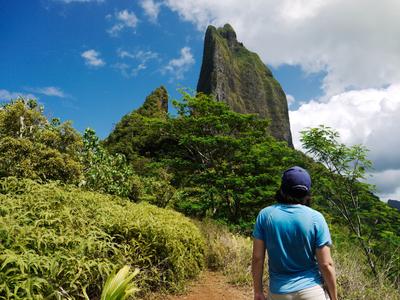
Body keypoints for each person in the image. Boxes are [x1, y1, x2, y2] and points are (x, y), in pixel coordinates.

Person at [252, 166, 338, 300]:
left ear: (282, 189)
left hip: (278, 292)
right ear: (307, 193)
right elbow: (326, 264)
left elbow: (258, 258)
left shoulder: (265, 215)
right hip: (312, 291)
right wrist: (334, 297)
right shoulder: (316, 218)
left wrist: (258, 291)